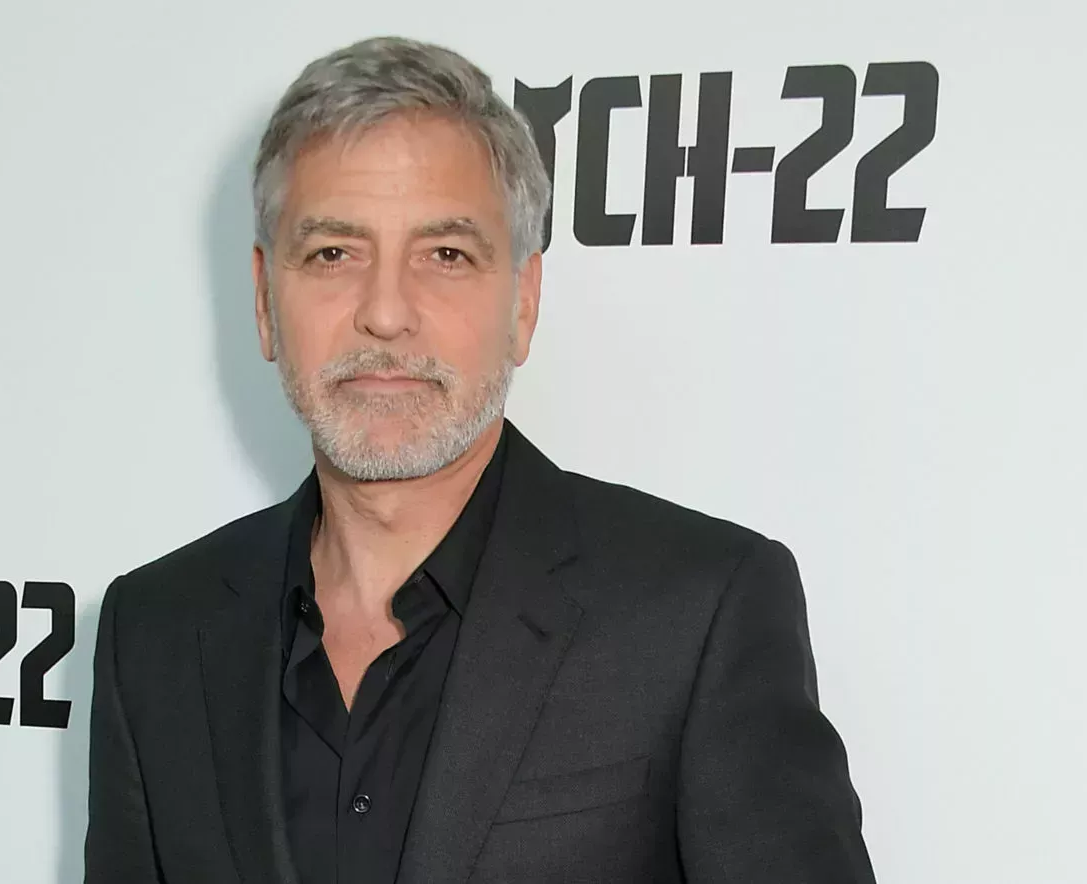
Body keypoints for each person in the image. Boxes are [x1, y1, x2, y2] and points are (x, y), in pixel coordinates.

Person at [84, 35, 875, 884]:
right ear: (265, 301)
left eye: (446, 255)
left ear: (523, 303)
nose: (386, 313)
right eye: (333, 253)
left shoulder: (698, 614)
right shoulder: (153, 632)